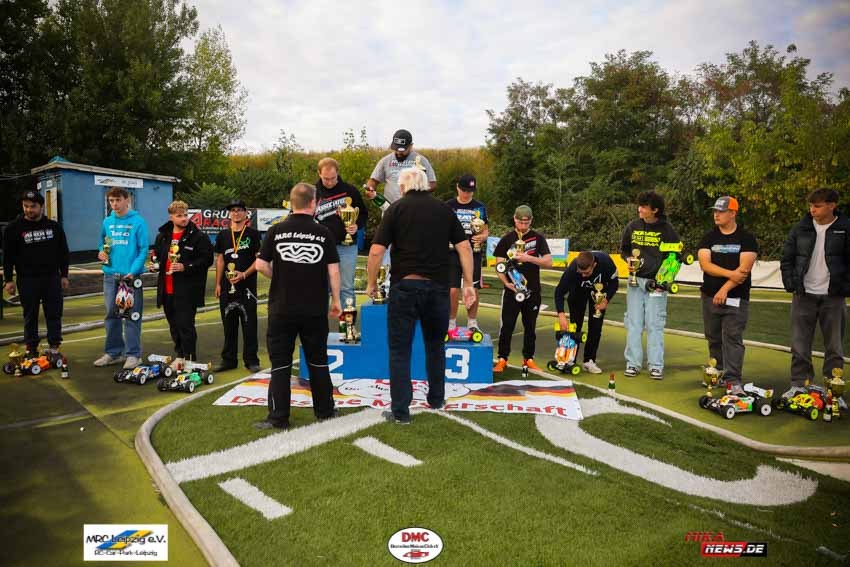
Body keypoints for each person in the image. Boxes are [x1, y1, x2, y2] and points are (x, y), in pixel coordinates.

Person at [366, 167, 474, 425]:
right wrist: (468, 283)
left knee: (399, 351)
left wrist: (371, 283)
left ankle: (401, 412)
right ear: (426, 185)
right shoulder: (444, 210)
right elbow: (465, 248)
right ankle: (436, 399)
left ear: (403, 187)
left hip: (405, 286)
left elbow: (376, 251)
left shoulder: (395, 209)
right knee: (436, 346)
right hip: (438, 288)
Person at [254, 183, 342, 430]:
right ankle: (325, 411)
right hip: (314, 308)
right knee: (318, 360)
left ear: (292, 203)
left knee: (280, 363)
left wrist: (280, 276)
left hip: (282, 307)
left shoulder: (276, 230)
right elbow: (334, 271)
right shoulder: (323, 232)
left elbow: (260, 265)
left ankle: (278, 417)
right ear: (314, 203)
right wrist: (336, 300)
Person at [780, 188, 850, 398]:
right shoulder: (800, 228)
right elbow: (787, 258)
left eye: (817, 206)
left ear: (832, 205)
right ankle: (799, 385)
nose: (812, 210)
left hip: (834, 296)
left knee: (834, 347)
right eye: (811, 205)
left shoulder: (846, 228)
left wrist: (845, 287)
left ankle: (833, 392)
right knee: (799, 344)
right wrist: (791, 283)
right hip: (803, 294)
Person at [697, 196, 759, 394]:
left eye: (721, 211)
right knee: (713, 336)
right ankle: (718, 371)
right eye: (715, 211)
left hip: (736, 297)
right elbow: (705, 265)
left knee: (732, 337)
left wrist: (724, 289)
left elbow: (744, 270)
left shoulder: (746, 238)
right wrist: (730, 274)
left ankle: (733, 380)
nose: (716, 215)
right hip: (709, 296)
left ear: (733, 213)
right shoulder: (708, 238)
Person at [620, 190, 682, 380]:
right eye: (639, 206)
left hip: (657, 284)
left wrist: (664, 280)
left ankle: (656, 366)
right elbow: (624, 250)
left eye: (644, 207)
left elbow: (675, 257)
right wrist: (628, 259)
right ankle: (633, 363)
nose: (640, 209)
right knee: (634, 323)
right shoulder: (632, 226)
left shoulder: (667, 230)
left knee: (655, 324)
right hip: (635, 282)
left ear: (655, 210)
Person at [3, 190, 70, 357]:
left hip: (51, 278)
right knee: (30, 315)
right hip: (27, 279)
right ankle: (31, 348)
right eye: (25, 206)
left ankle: (54, 347)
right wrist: (8, 280)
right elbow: (8, 256)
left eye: (33, 206)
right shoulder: (13, 229)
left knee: (54, 313)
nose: (28, 210)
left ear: (41, 207)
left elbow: (63, 252)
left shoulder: (54, 227)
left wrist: (64, 275)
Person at [152, 200, 213, 369]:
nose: (184, 218)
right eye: (179, 216)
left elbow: (207, 260)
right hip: (167, 289)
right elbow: (158, 257)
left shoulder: (199, 237)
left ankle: (190, 359)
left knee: (186, 325)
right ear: (171, 217)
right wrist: (155, 265)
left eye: (186, 215)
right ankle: (179, 356)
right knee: (174, 326)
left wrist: (185, 266)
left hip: (187, 290)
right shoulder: (162, 236)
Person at [94, 187, 150, 369]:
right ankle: (113, 353)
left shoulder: (138, 222)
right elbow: (102, 242)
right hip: (111, 276)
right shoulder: (107, 221)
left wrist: (133, 271)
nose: (114, 204)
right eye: (111, 201)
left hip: (130, 277)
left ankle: (133, 355)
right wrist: (101, 252)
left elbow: (143, 249)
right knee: (111, 315)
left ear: (127, 200)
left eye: (118, 200)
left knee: (131, 315)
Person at [493, 205, 553, 373]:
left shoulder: (538, 238)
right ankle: (502, 358)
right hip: (512, 290)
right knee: (507, 326)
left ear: (531, 221)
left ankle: (528, 359)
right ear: (514, 219)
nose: (523, 225)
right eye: (520, 222)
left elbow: (549, 262)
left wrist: (529, 258)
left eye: (526, 223)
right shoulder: (507, 239)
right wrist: (506, 283)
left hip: (532, 290)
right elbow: (499, 264)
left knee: (530, 327)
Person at [214, 199, 261, 373]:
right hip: (227, 287)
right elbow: (220, 260)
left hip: (247, 287)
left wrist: (244, 274)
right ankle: (229, 360)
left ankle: (251, 360)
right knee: (229, 325)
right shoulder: (223, 235)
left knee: (249, 325)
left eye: (239, 210)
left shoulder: (253, 234)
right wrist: (218, 283)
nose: (236, 213)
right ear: (229, 214)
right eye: (233, 210)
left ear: (245, 213)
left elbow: (258, 260)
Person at [314, 157, 368, 307]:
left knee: (346, 288)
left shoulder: (350, 190)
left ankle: (347, 322)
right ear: (319, 173)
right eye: (326, 178)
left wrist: (356, 225)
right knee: (320, 288)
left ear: (337, 173)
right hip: (321, 248)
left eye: (333, 178)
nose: (330, 182)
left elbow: (363, 214)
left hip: (346, 247)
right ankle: (320, 323)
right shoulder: (312, 192)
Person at [553, 251, 619, 374]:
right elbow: (559, 292)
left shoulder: (606, 263)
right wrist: (561, 315)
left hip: (598, 295)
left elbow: (614, 283)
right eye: (581, 272)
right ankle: (570, 359)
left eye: (587, 273)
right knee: (575, 326)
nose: (583, 275)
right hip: (577, 292)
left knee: (595, 327)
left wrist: (606, 300)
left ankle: (589, 361)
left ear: (594, 265)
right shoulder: (573, 268)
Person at [446, 174, 489, 332]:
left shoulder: (480, 207)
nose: (467, 194)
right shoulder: (448, 206)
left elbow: (485, 230)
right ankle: (451, 322)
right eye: (464, 190)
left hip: (473, 253)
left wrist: (482, 237)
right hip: (452, 253)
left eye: (470, 191)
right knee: (453, 289)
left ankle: (472, 322)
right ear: (458, 188)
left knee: (473, 288)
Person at [363, 129, 437, 206]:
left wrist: (414, 193)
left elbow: (432, 184)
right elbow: (373, 180)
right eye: (396, 149)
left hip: (415, 207)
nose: (398, 153)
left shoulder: (421, 160)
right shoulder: (385, 161)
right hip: (390, 207)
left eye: (402, 150)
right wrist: (370, 188)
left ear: (411, 146)